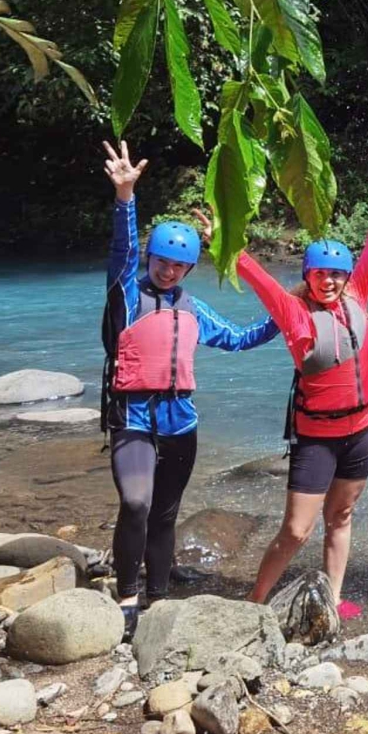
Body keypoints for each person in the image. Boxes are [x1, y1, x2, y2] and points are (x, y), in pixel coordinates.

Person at [99, 140, 280, 637]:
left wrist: (285, 317)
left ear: (189, 269)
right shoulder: (128, 296)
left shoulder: (194, 310)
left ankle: (158, 594)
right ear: (152, 258)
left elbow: (241, 339)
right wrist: (126, 197)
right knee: (136, 502)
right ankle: (127, 594)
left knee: (165, 511)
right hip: (132, 418)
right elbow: (123, 252)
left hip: (181, 422)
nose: (168, 269)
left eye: (178, 265)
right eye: (162, 261)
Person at [237, 149, 368, 620]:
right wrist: (226, 242)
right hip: (317, 436)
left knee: (342, 517)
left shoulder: (358, 293)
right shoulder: (294, 312)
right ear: (307, 277)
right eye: (320, 273)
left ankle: (332, 599)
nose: (329, 281)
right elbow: (258, 278)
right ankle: (255, 602)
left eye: (336, 273)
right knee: (296, 530)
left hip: (362, 429)